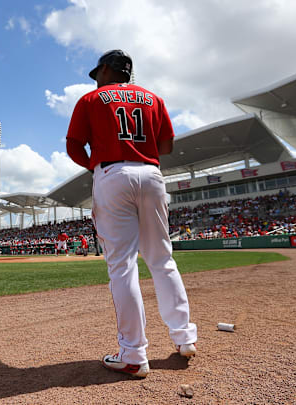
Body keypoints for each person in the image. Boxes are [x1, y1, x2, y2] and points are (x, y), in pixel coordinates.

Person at [66, 49, 197, 378]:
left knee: (122, 267)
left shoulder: (91, 100)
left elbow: (73, 145)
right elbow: (166, 146)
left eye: (98, 72)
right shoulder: (153, 99)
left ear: (109, 70)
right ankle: (184, 338)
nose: (96, 79)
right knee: (162, 259)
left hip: (112, 175)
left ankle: (134, 354)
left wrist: (94, 166)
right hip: (151, 175)